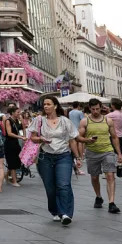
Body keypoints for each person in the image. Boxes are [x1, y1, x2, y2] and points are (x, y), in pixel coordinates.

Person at [29, 95, 82, 225]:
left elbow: (72, 139)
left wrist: (77, 157)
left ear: (55, 106)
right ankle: (55, 210)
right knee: (50, 188)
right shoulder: (39, 120)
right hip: (45, 157)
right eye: (44, 104)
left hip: (63, 156)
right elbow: (33, 138)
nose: (46, 106)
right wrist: (41, 139)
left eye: (48, 104)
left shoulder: (65, 121)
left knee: (63, 185)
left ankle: (65, 213)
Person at [80, 98, 122, 214]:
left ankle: (111, 203)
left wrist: (119, 153)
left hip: (107, 151)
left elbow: (114, 137)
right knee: (94, 177)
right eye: (93, 109)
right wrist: (87, 140)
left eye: (97, 109)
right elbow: (79, 138)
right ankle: (98, 196)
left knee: (110, 176)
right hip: (92, 152)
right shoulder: (85, 121)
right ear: (89, 108)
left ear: (101, 107)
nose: (95, 111)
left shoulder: (108, 121)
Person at [106, 98, 122, 180]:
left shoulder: (112, 114)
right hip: (121, 136)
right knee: (121, 154)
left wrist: (107, 111)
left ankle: (111, 173)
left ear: (113, 105)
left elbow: (102, 118)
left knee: (111, 155)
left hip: (113, 136)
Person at [3, 105, 25, 187]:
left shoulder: (17, 120)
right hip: (9, 143)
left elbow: (23, 128)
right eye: (17, 112)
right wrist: (20, 137)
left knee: (16, 161)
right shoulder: (8, 121)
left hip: (16, 143)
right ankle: (14, 181)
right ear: (12, 113)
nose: (19, 113)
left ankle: (7, 175)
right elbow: (9, 133)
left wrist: (21, 120)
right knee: (12, 162)